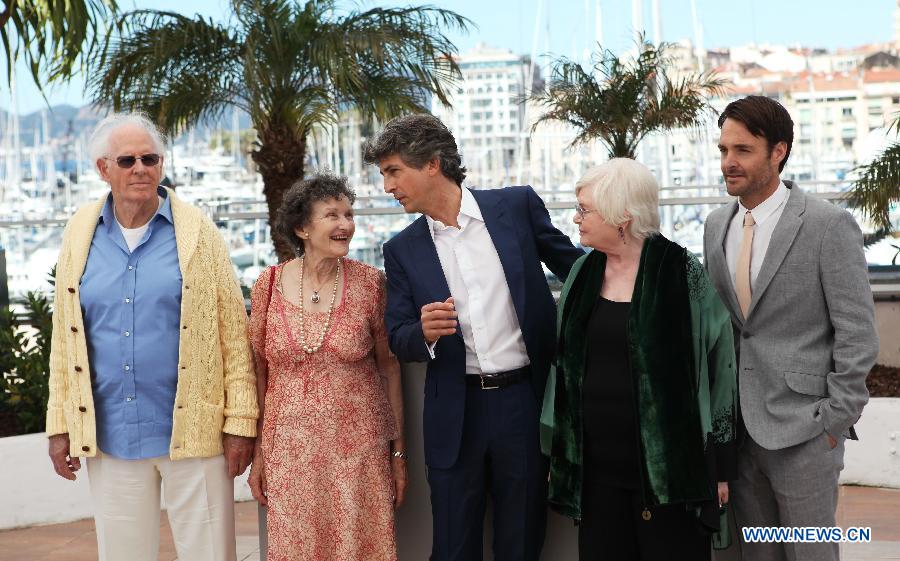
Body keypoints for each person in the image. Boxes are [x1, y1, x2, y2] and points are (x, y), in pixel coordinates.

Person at [364, 114, 583, 561]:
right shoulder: (401, 249)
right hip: (454, 413)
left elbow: (577, 270)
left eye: (393, 171)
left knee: (521, 540)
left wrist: (640, 271)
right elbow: (398, 336)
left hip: (524, 404)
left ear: (431, 164)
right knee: (453, 546)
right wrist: (421, 332)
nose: (387, 186)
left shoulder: (517, 207)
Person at [46, 113, 258, 561]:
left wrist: (240, 424)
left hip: (195, 433)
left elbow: (233, 335)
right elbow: (65, 340)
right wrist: (60, 424)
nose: (140, 168)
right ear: (104, 168)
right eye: (127, 160)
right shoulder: (79, 232)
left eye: (150, 158)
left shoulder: (198, 232)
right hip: (112, 435)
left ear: (161, 164)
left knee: (209, 554)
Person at [703, 95, 879, 561]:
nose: (728, 163)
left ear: (777, 151)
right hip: (740, 433)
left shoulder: (827, 225)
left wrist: (833, 421)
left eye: (741, 150)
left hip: (806, 430)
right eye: (723, 150)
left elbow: (858, 334)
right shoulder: (715, 225)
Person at [543, 158, 738, 561]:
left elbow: (721, 367)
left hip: (669, 473)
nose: (575, 218)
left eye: (585, 209)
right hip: (597, 472)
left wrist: (719, 465)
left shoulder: (680, 271)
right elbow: (562, 368)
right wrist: (560, 453)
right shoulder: (582, 272)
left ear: (621, 217)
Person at [246, 173, 406, 561]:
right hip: (290, 452)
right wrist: (259, 455)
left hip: (359, 453)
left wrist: (398, 455)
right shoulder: (266, 285)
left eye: (349, 214)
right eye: (332, 215)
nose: (345, 224)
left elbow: (390, 369)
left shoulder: (371, 284)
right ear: (302, 227)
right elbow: (260, 374)